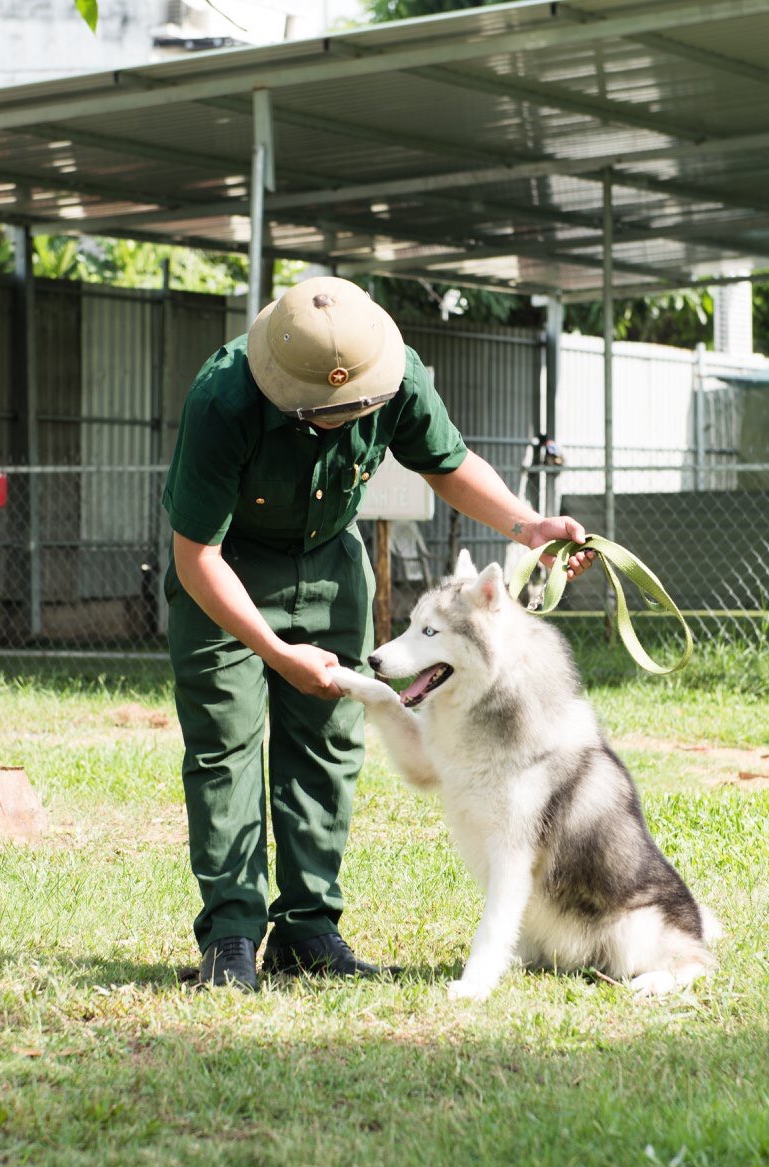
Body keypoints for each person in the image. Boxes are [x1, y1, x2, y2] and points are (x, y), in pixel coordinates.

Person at [162, 276, 590, 991]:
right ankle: (231, 937)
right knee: (225, 749)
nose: (356, 415)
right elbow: (194, 554)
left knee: (326, 745)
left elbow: (445, 465)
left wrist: (528, 525)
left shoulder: (395, 371)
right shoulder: (223, 398)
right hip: (227, 569)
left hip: (330, 562)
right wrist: (273, 650)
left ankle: (308, 928)